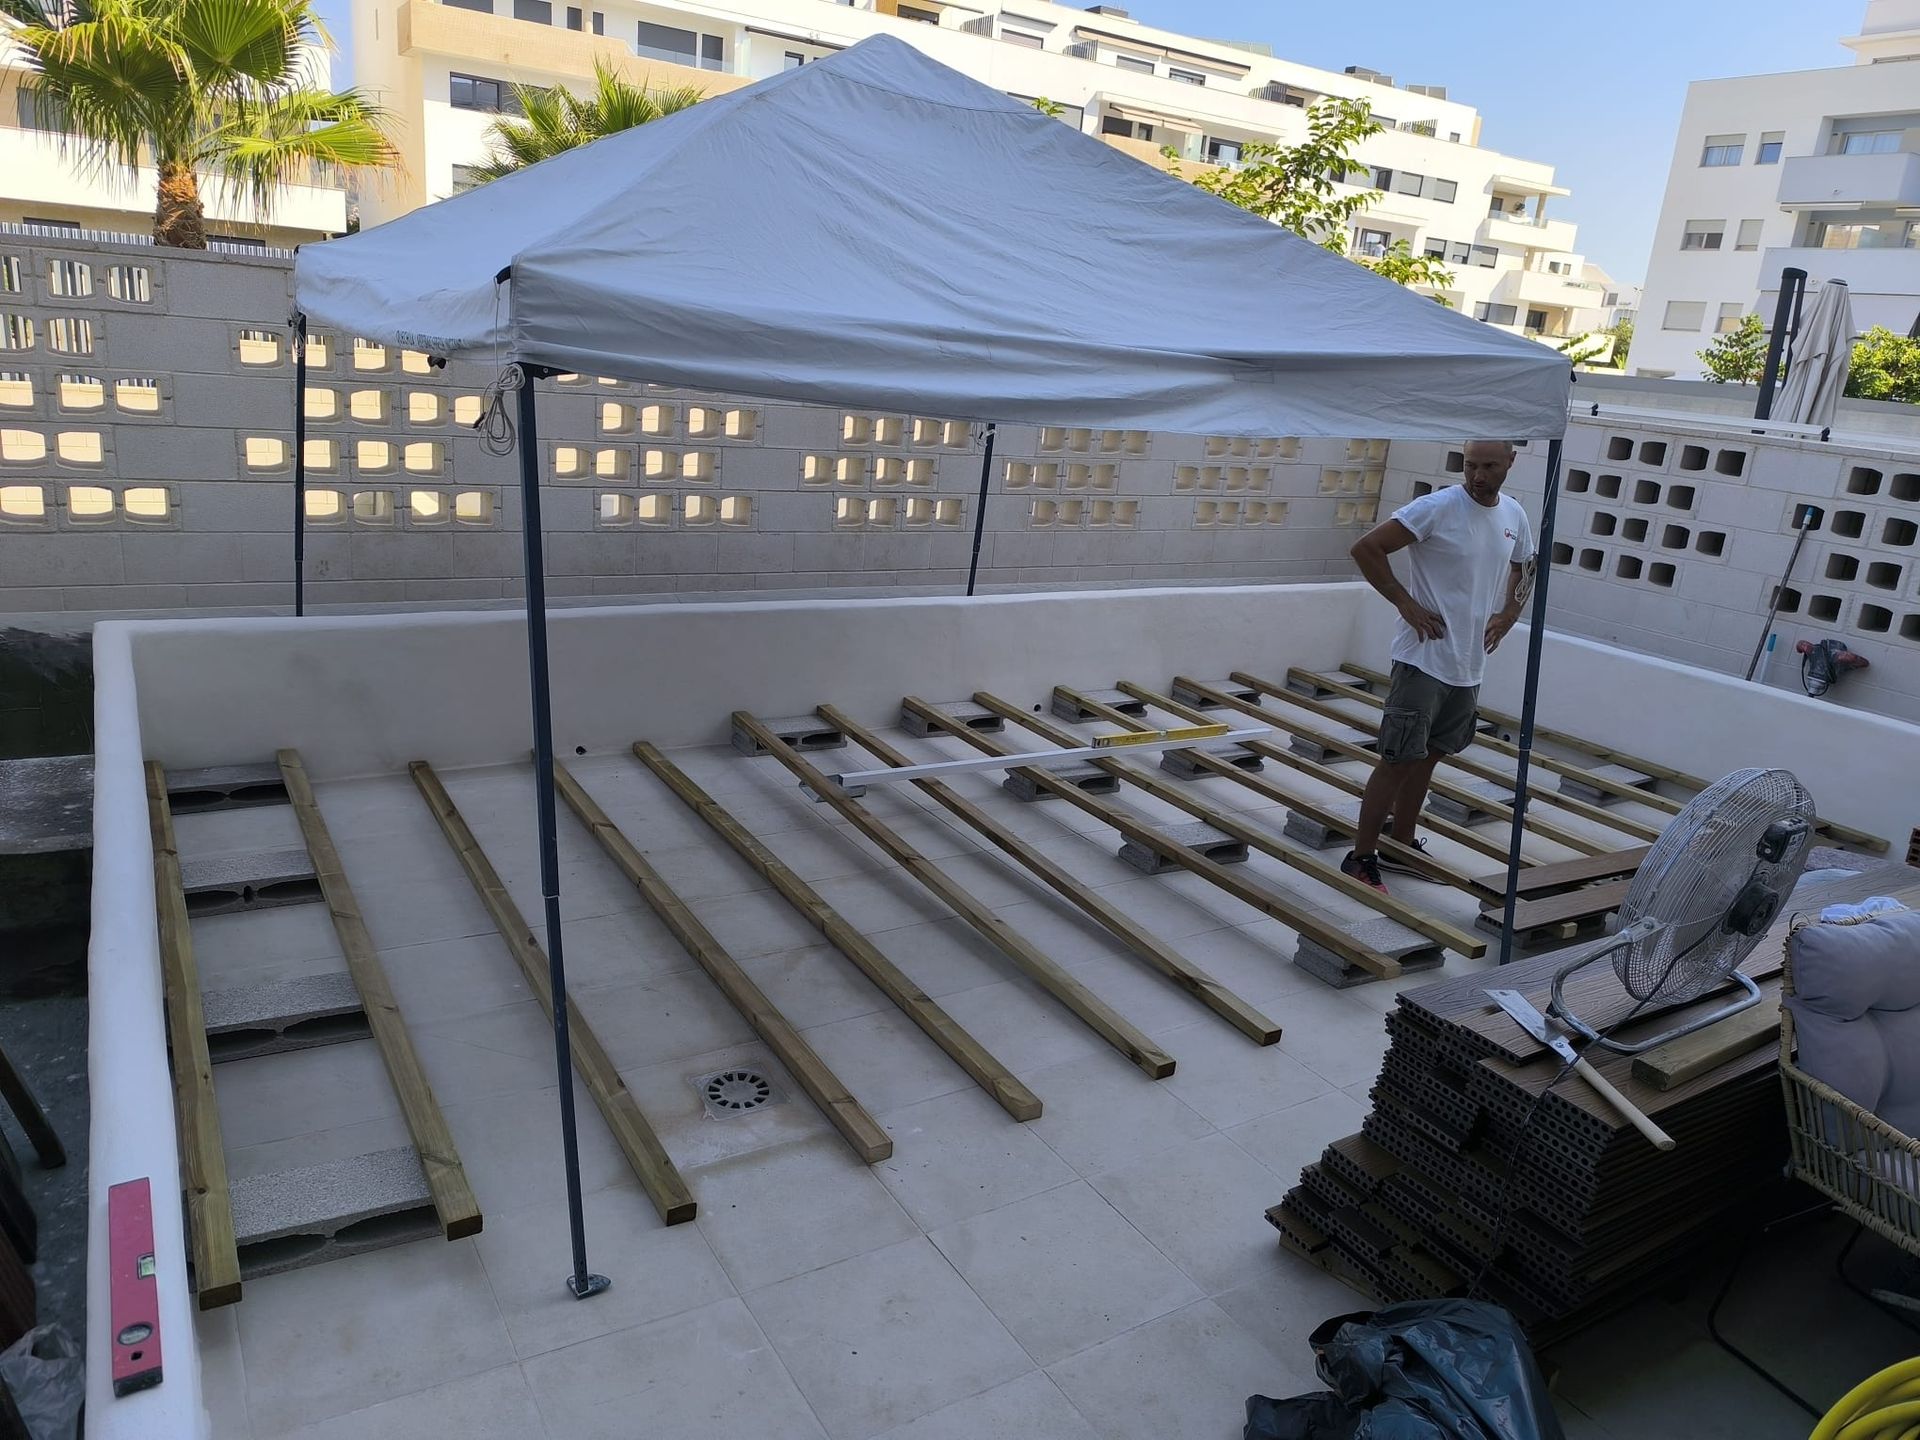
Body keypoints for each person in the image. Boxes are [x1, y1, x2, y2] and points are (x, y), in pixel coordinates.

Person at [1340, 440, 1535, 893]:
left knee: (1428, 759)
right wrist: (1405, 604)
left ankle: (1401, 844)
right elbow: (1367, 549)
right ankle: (1361, 856)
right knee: (1396, 759)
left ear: (1510, 462)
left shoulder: (1514, 515)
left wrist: (1509, 615)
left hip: (1467, 664)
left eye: (1489, 466)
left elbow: (1527, 566)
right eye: (1470, 465)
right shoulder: (1438, 508)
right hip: (1423, 659)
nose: (1478, 475)